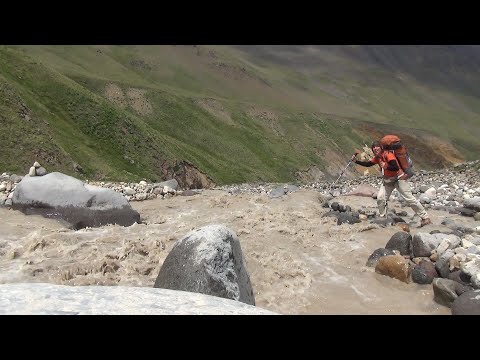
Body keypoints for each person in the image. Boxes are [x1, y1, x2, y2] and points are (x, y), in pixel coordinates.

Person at [351, 141, 432, 227]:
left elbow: (395, 167)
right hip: (388, 180)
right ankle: (383, 218)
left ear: (381, 147)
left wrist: (386, 166)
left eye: (377, 146)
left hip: (399, 179)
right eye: (373, 147)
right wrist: (356, 161)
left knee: (409, 199)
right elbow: (368, 164)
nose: (375, 148)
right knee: (381, 198)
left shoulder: (388, 154)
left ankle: (425, 217)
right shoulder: (377, 158)